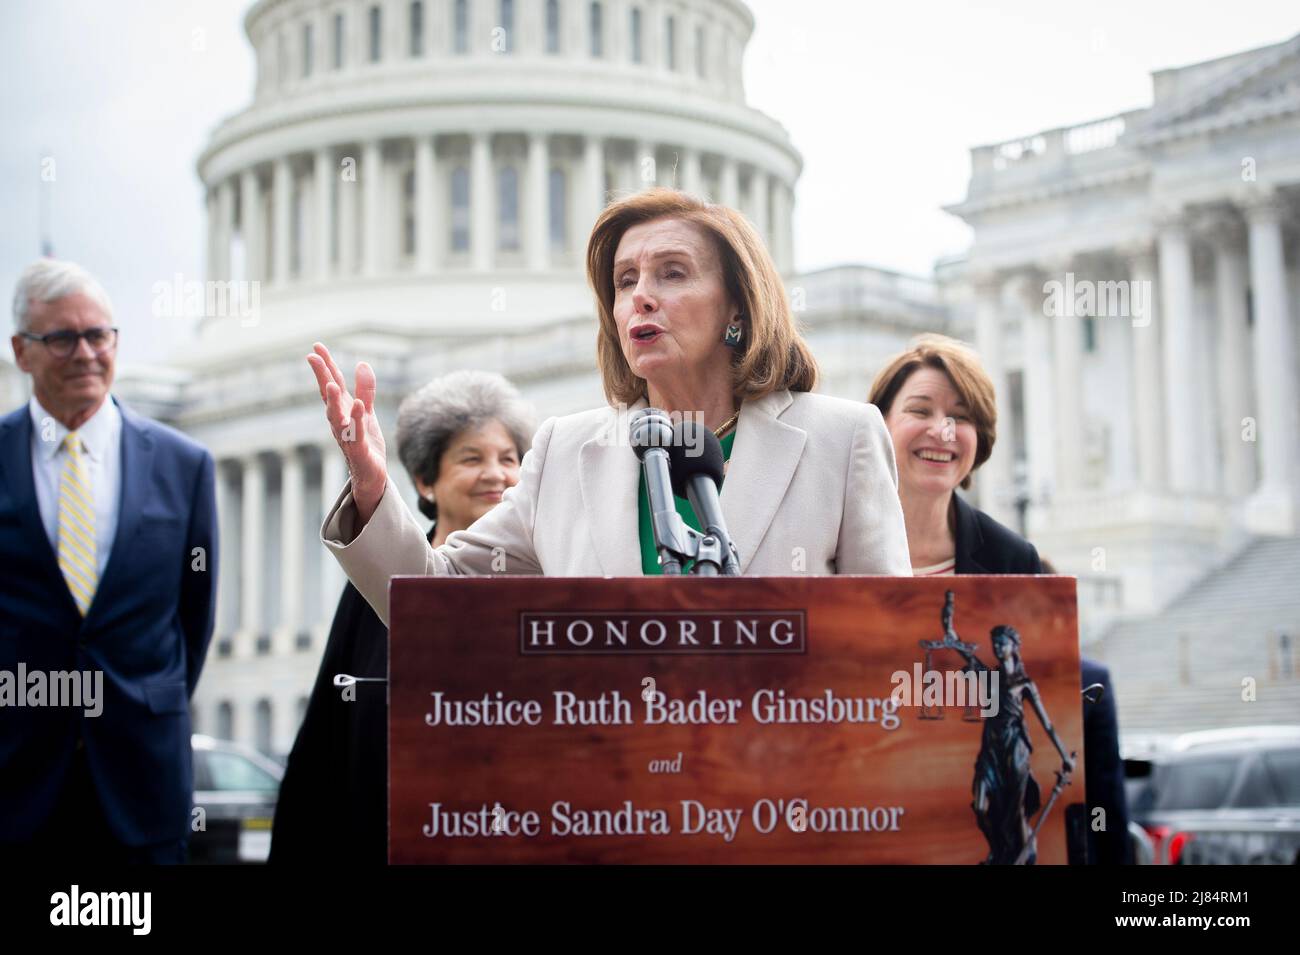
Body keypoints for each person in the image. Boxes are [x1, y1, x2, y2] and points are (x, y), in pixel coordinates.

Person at [307, 188, 911, 626]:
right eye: (625, 282)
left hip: (786, 790)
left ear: (737, 308)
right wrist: (371, 490)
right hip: (609, 791)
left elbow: (891, 636)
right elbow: (433, 598)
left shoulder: (840, 438)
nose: (641, 297)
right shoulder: (565, 450)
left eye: (672, 274)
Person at [869, 332, 1130, 864]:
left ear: (979, 438)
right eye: (921, 409)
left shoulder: (1014, 560)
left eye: (961, 417)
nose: (942, 431)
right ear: (878, 425)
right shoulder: (830, 542)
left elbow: (1049, 709)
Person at [0, 259, 217, 864]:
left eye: (99, 335)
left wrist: (143, 697)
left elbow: (192, 618)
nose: (86, 353)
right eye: (62, 338)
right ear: (22, 351)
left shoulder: (184, 464)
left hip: (141, 779)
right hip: (15, 779)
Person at [269, 371, 534, 865]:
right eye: (471, 458)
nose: (496, 474)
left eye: (509, 459)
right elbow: (328, 732)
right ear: (424, 481)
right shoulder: (377, 579)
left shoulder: (541, 570)